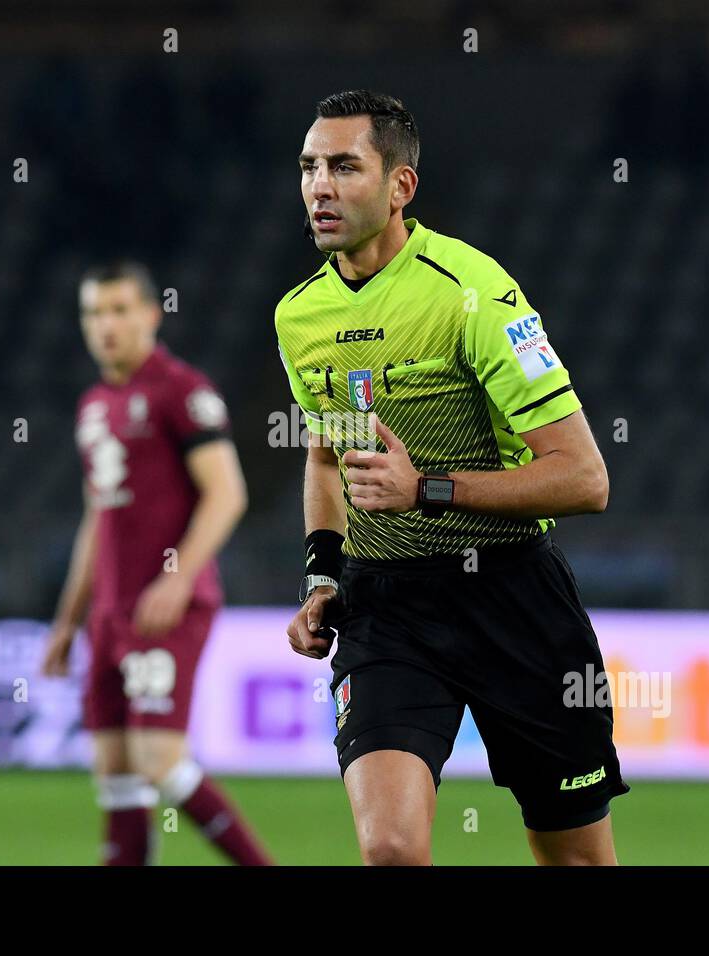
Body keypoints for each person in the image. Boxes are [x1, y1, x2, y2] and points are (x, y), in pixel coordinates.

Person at [275, 91, 629, 865]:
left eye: (344, 166)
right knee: (392, 851)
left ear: (401, 186)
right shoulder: (297, 316)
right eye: (309, 167)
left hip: (513, 599)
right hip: (387, 607)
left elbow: (584, 478)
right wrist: (321, 573)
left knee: (577, 859)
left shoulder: (473, 292)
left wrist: (427, 488)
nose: (319, 187)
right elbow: (327, 455)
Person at [43, 261, 270, 866]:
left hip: (167, 609)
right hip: (112, 613)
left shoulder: (181, 390)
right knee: (115, 771)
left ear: (151, 314)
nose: (106, 325)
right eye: (94, 312)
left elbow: (228, 493)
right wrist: (68, 622)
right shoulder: (94, 405)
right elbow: (99, 518)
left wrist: (178, 576)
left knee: (159, 761)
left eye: (119, 310)